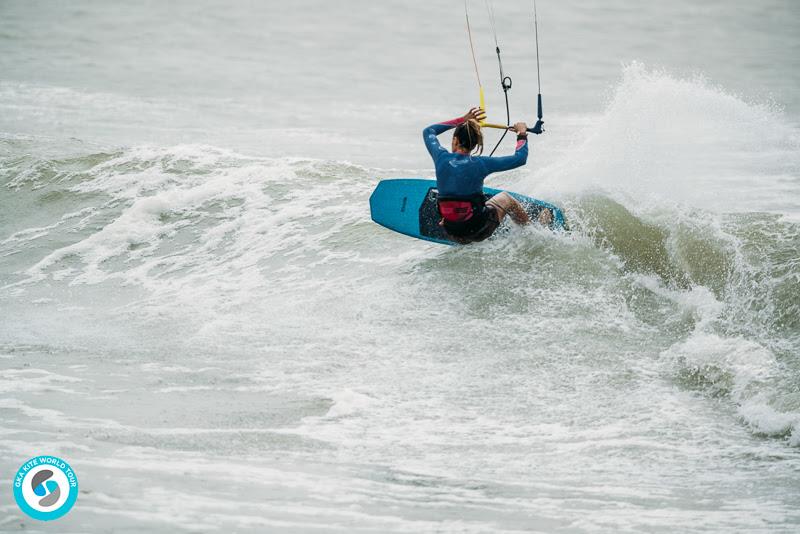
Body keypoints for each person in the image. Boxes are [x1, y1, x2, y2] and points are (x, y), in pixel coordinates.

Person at [422, 107, 550, 244]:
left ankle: (458, 228)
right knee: (506, 198)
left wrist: (462, 120)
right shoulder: (481, 163)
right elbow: (520, 158)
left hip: (452, 231)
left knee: (453, 202)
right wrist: (522, 133)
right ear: (475, 144)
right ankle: (531, 232)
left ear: (455, 140)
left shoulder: (440, 157)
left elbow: (428, 131)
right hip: (479, 230)